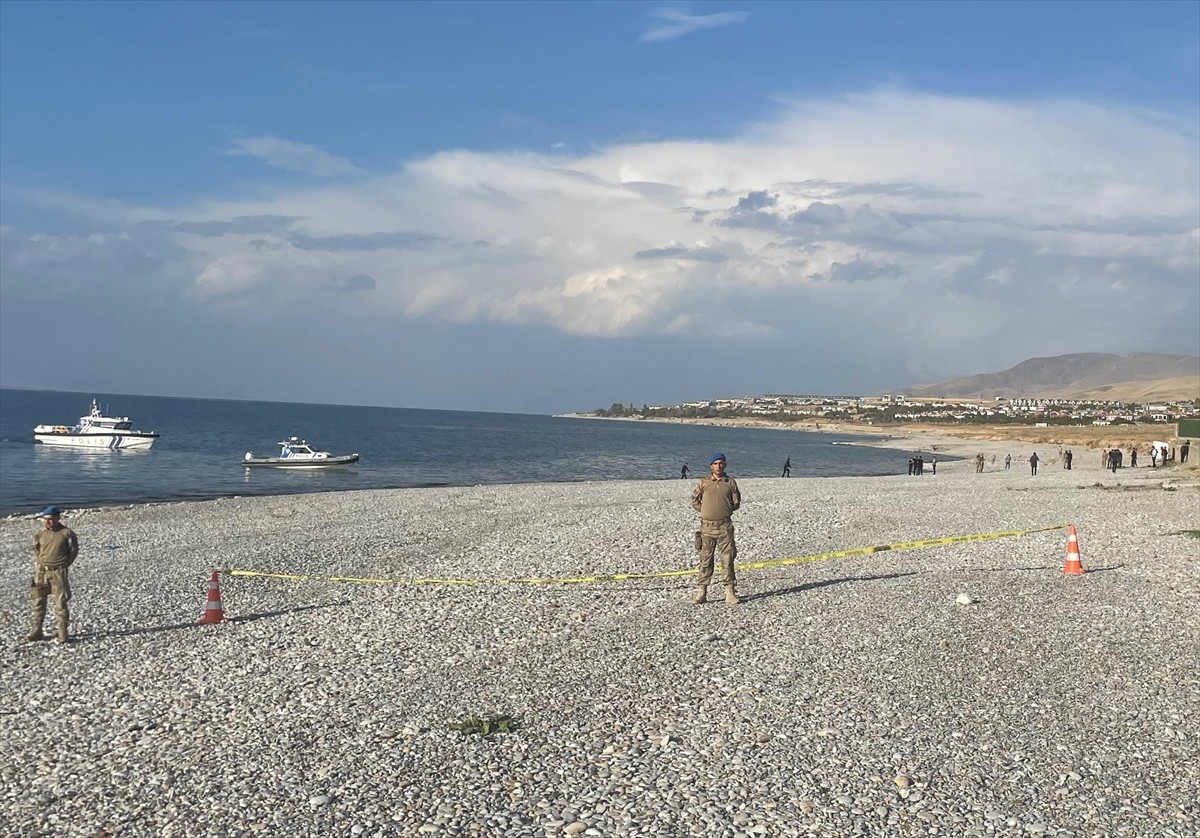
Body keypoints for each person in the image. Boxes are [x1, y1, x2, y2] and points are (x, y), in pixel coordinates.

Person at [690, 453, 742, 605]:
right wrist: (705, 510)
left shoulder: (730, 483)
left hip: (724, 527)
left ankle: (730, 591)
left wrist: (724, 510)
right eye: (715, 463)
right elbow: (694, 499)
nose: (718, 466)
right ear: (711, 466)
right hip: (706, 527)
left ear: (725, 465)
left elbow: (736, 503)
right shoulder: (704, 482)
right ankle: (702, 591)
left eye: (721, 463)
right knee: (705, 560)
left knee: (727, 560)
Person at [27, 506, 79, 643]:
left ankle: (62, 634)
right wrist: (40, 562)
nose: (47, 522)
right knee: (39, 602)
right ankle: (36, 631)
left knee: (60, 603)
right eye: (45, 519)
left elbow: (74, 549)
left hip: (58, 572)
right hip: (41, 571)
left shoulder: (66, 533)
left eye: (50, 519)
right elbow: (35, 549)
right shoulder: (39, 533)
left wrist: (66, 563)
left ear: (57, 518)